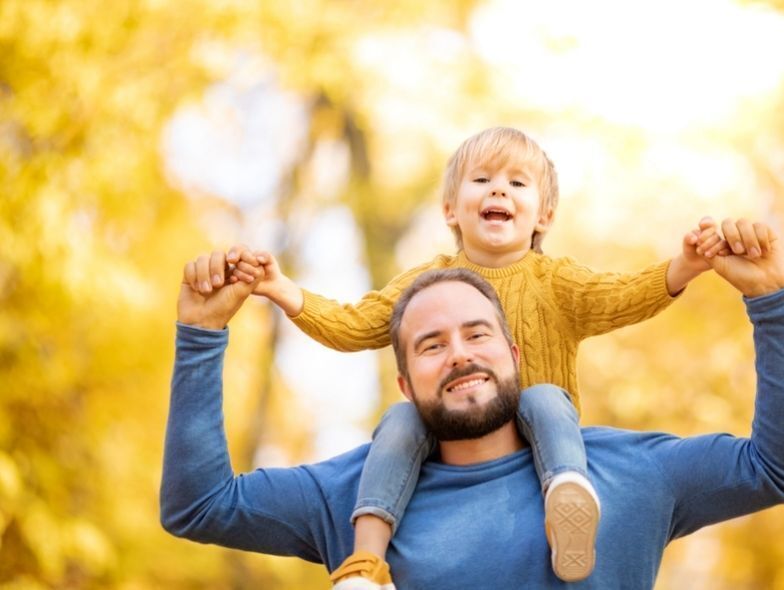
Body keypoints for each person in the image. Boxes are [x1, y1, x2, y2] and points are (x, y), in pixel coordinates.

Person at [184, 127, 738, 586]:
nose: (498, 191)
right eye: (482, 180)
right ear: (452, 208)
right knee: (399, 422)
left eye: (516, 183)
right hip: (450, 432)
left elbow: (621, 296)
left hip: (538, 437)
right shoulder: (426, 283)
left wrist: (685, 266)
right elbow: (355, 325)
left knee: (545, 398)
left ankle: (567, 495)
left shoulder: (559, 282)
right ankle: (365, 565)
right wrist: (282, 290)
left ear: (542, 214)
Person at [162, 220, 784, 589]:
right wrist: (201, 336)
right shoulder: (354, 494)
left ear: (512, 354)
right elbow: (198, 507)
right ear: (404, 385)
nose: (458, 354)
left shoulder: (628, 474)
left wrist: (771, 301)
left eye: (477, 334)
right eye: (430, 345)